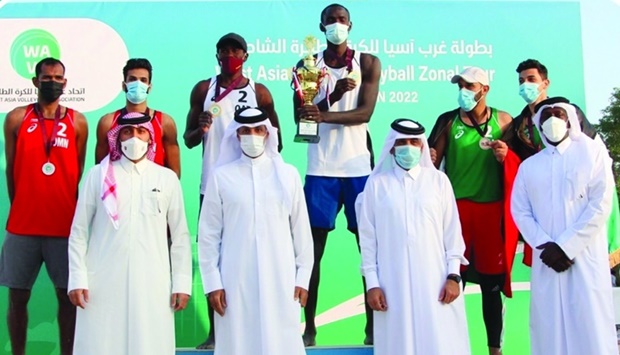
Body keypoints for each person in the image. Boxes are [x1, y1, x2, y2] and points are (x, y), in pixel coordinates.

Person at [184, 34, 282, 349]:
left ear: (246, 55)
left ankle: (260, 324)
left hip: (250, 185)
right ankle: (215, 333)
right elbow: (188, 139)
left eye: (235, 50)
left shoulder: (260, 92)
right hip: (212, 185)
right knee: (213, 256)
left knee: (256, 254)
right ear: (217, 54)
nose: (230, 55)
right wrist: (198, 128)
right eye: (224, 51)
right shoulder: (204, 89)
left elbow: (274, 139)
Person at [67, 111, 192, 355]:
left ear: (150, 138)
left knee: (150, 344)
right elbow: (79, 232)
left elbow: (180, 237)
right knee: (100, 344)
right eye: (127, 131)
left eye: (140, 131)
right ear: (117, 137)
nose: (134, 137)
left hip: (152, 282)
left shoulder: (166, 178)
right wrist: (78, 278)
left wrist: (182, 283)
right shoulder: (98, 176)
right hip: (101, 281)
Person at [294, 3, 381, 346]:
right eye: (330, 20)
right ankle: (310, 327)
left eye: (341, 20)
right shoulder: (307, 66)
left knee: (369, 251)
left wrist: (324, 113)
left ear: (351, 25)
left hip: (358, 167)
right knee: (312, 255)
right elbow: (302, 118)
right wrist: (332, 97)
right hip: (321, 169)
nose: (336, 25)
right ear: (321, 25)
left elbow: (365, 113)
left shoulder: (368, 63)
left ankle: (373, 327)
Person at [198, 107, 313, 355]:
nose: (252, 136)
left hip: (281, 279)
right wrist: (212, 283)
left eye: (258, 130)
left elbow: (302, 232)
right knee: (238, 343)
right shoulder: (220, 176)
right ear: (236, 135)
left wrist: (303, 278)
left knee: (281, 343)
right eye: (245, 131)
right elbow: (208, 235)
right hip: (233, 280)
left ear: (268, 133)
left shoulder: (288, 175)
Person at [511, 99, 617, 355]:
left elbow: (601, 204)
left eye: (558, 114)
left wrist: (566, 246)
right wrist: (545, 245)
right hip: (547, 260)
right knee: (549, 327)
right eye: (545, 116)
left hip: (584, 258)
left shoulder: (593, 154)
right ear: (538, 124)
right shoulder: (529, 167)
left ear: (569, 119)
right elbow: (520, 211)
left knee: (590, 325)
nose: (552, 120)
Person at [357, 119, 470, 355]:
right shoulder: (377, 184)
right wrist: (373, 284)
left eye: (413, 141)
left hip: (436, 282)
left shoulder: (438, 181)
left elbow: (452, 234)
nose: (407, 146)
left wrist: (453, 276)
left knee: (440, 342)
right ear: (391, 146)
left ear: (422, 146)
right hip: (391, 284)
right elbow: (368, 241)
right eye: (401, 142)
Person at [0, 57, 88, 355]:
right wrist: (23, 205)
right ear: (35, 81)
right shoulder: (16, 118)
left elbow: (75, 172)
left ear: (66, 82)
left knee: (67, 298)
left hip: (63, 226)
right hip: (23, 226)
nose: (53, 82)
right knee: (17, 297)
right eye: (47, 77)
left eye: (58, 77)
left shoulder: (77, 121)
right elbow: (12, 170)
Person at [428, 66, 517, 355]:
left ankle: (495, 350)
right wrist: (427, 157)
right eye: (460, 85)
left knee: (492, 288)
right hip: (456, 213)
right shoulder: (447, 120)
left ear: (485, 90)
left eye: (469, 86)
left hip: (492, 213)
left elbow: (519, 163)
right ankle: (449, 347)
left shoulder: (503, 120)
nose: (463, 91)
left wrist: (507, 156)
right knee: (453, 282)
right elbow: (430, 162)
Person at [504, 59, 620, 266]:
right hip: (544, 213)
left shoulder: (571, 115)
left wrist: (569, 245)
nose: (525, 85)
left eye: (531, 79)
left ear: (545, 83)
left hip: (579, 206)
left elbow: (596, 156)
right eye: (521, 81)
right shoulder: (519, 125)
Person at [95, 58, 181, 177]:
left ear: (149, 87)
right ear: (123, 85)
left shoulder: (165, 122)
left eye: (143, 80)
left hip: (153, 190)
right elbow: (100, 170)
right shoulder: (107, 122)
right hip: (119, 190)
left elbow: (174, 173)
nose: (138, 84)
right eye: (132, 79)